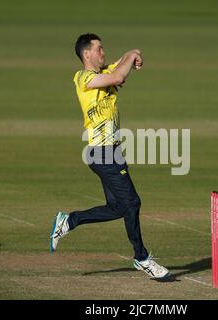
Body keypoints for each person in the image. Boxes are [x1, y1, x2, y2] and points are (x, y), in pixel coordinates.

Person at [49, 33, 170, 279]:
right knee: (133, 203)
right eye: (99, 49)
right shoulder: (83, 77)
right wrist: (127, 63)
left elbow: (127, 56)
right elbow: (119, 75)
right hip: (101, 153)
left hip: (112, 152)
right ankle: (142, 257)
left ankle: (69, 221)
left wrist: (134, 54)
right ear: (87, 54)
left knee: (118, 207)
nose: (103, 52)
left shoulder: (104, 72)